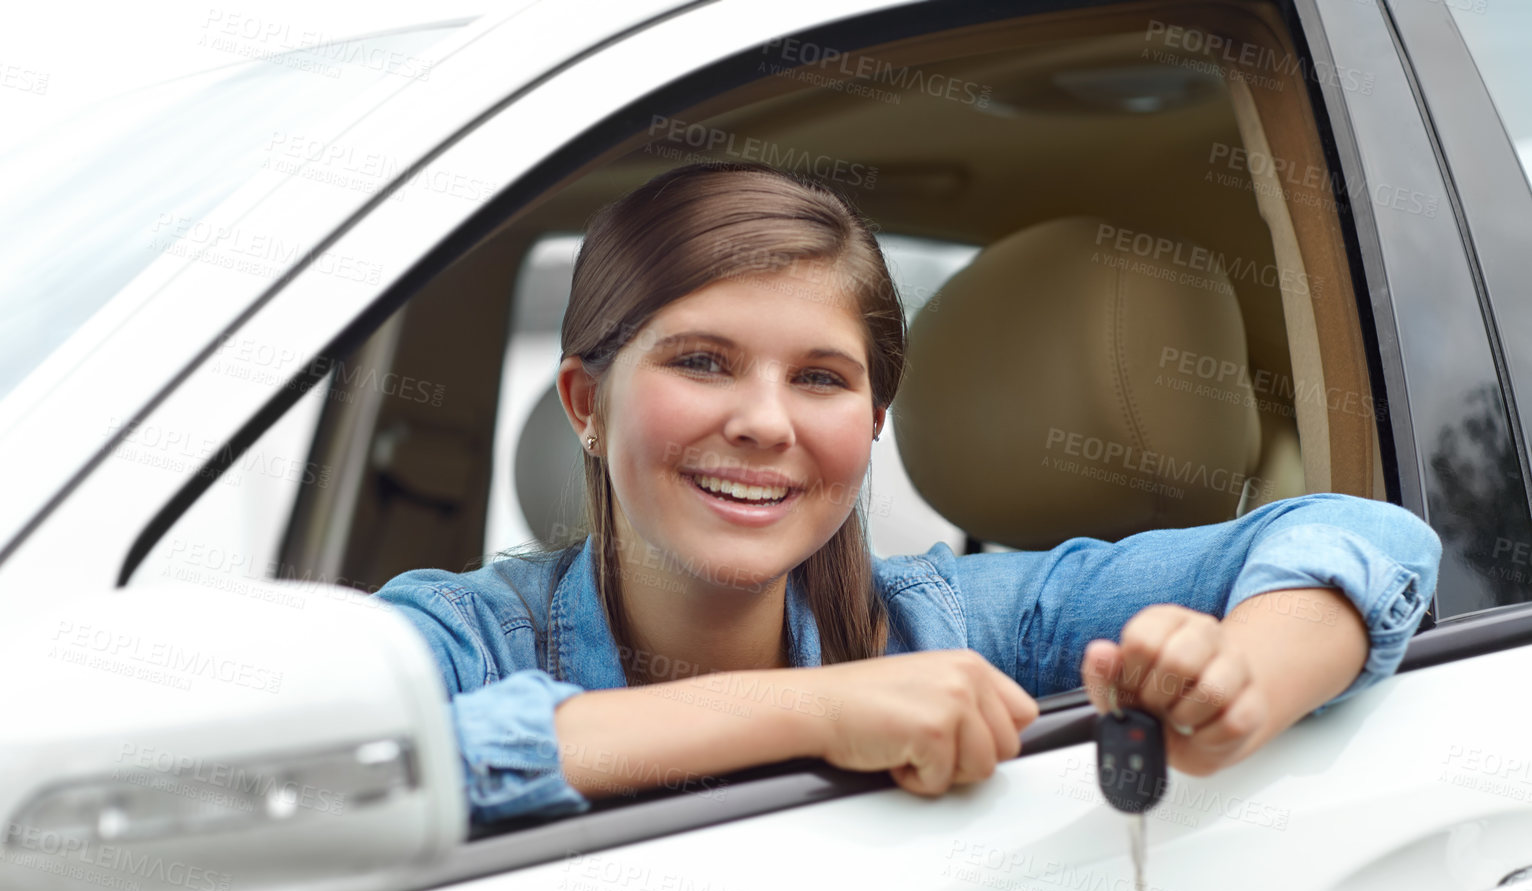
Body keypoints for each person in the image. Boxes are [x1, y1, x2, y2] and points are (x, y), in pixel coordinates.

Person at [375, 161, 1441, 828]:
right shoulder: (462, 631)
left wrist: (1241, 678)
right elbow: (329, 769)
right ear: (585, 402)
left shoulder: (958, 617)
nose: (764, 421)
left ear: (872, 423)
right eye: (701, 361)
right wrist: (812, 707)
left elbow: (1364, 537)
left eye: (822, 378)